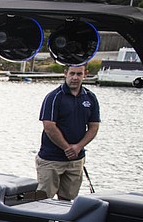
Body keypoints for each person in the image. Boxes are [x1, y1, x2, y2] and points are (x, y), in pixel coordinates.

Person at [36, 63, 100, 201]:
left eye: (79, 74)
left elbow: (94, 126)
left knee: (68, 199)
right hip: (51, 159)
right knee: (43, 198)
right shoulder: (54, 97)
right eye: (72, 74)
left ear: (85, 74)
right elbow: (49, 126)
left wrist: (78, 147)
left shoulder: (90, 97)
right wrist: (67, 148)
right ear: (65, 73)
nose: (75, 78)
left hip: (76, 160)